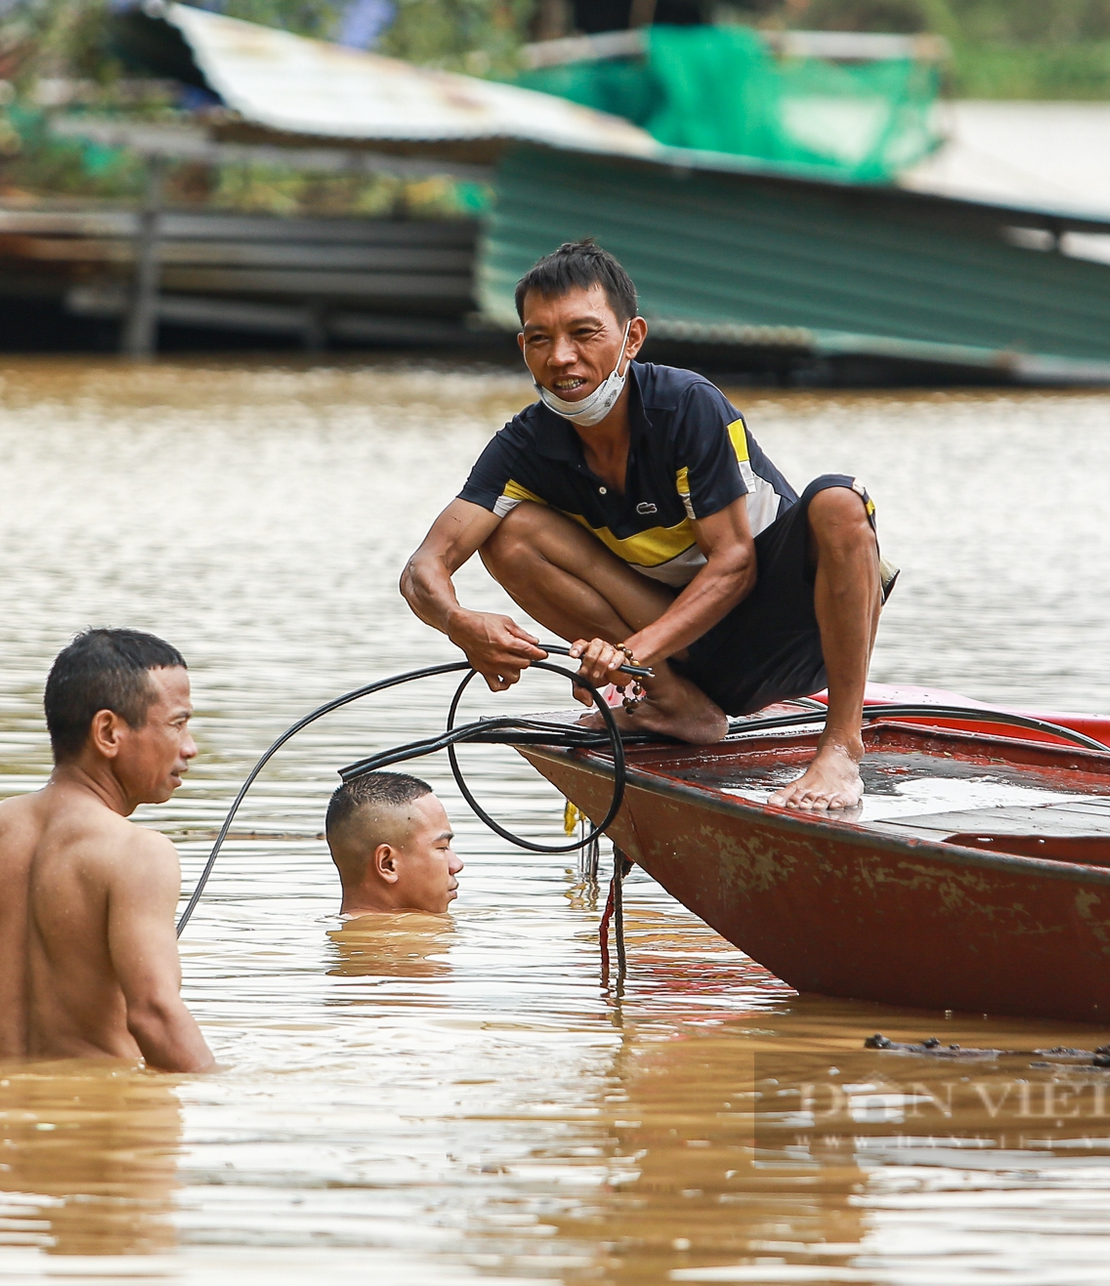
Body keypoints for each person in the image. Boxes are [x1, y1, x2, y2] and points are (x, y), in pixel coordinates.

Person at [400, 239, 895, 811]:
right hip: (683, 653)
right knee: (508, 534)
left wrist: (628, 654)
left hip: (791, 639)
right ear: (523, 347)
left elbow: (733, 568)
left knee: (838, 500)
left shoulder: (686, 405)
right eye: (541, 339)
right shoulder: (524, 445)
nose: (561, 357)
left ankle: (841, 747)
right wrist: (460, 623)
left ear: (632, 337)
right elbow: (422, 569)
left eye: (584, 334)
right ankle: (676, 704)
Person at [0, 628, 216, 1073]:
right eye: (178, 724)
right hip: (103, 1133)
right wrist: (231, 1111)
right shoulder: (138, 853)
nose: (190, 748)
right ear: (108, 732)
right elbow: (154, 1015)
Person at [325, 772, 464, 916]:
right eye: (442, 847)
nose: (457, 865)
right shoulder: (421, 935)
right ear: (388, 864)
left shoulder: (339, 933)